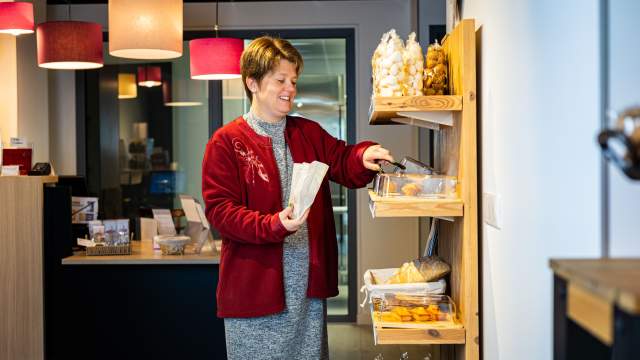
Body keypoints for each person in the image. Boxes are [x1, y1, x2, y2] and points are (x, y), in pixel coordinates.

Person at [202, 36, 395, 360]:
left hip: (306, 289)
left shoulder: (308, 133)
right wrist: (273, 224)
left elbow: (342, 159)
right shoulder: (226, 142)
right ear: (252, 81)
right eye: (280, 80)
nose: (289, 88)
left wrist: (362, 155)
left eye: (293, 80)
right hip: (254, 291)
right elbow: (221, 212)